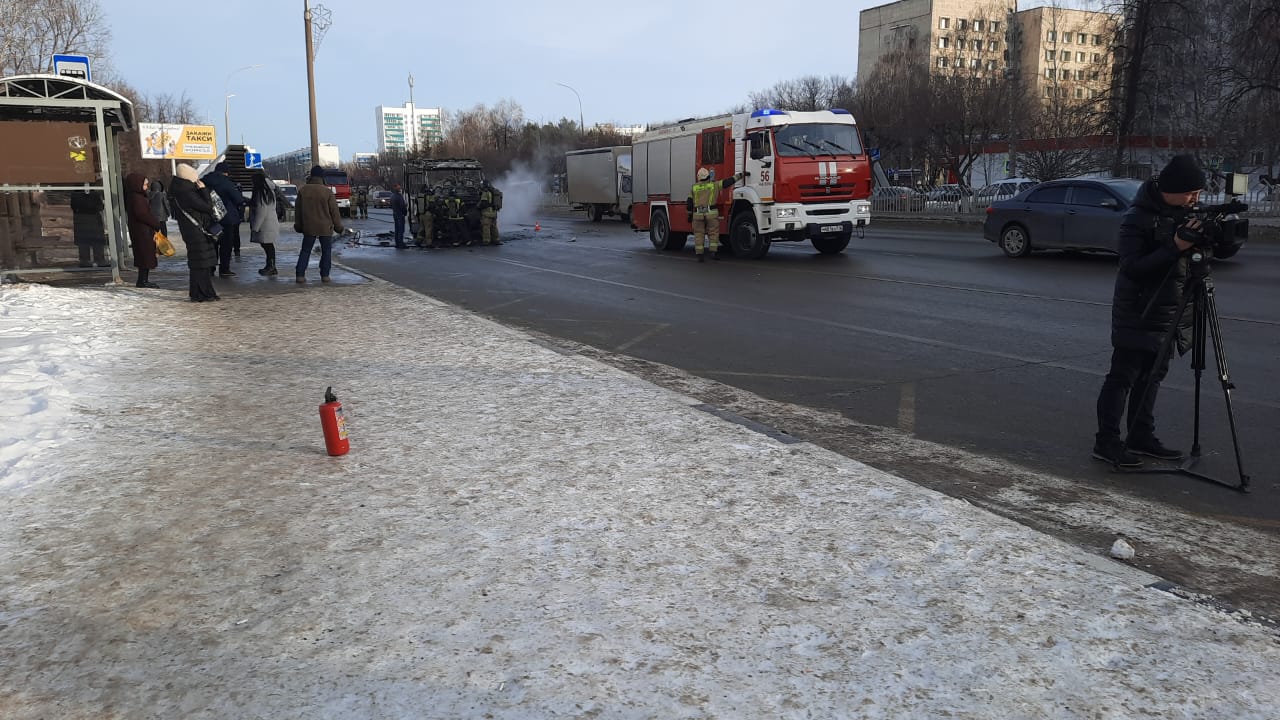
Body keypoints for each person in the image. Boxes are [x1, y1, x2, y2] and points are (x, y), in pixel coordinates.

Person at [1092, 154, 1243, 467]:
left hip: (1170, 314)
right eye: (1190, 193)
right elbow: (1133, 268)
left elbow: (1201, 257)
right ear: (1170, 188)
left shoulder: (1183, 214)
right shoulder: (1137, 218)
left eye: (1199, 195)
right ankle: (1106, 442)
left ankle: (1140, 435)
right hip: (1140, 312)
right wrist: (1175, 246)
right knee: (1123, 378)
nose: (1194, 200)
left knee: (1152, 377)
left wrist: (1218, 238)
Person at [168, 163, 221, 302]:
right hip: (196, 230)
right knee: (201, 263)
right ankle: (204, 293)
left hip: (191, 229)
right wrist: (203, 190)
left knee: (198, 262)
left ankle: (198, 292)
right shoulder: (187, 192)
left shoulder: (180, 190)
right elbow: (208, 207)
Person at [294, 164, 345, 283]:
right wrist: (339, 227)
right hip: (325, 227)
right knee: (326, 251)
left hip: (309, 226)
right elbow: (334, 212)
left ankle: (300, 275)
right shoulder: (327, 192)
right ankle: (325, 275)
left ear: (311, 176)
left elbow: (298, 211)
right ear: (322, 177)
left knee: (305, 250)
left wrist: (299, 226)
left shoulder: (303, 191)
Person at [686, 167, 745, 262]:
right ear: (708, 176)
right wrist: (740, 175)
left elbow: (689, 202)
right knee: (713, 233)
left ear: (698, 177)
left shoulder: (694, 187)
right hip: (711, 214)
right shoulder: (714, 185)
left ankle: (700, 255)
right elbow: (728, 182)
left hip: (697, 215)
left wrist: (689, 215)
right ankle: (713, 253)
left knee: (699, 234)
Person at [201, 162, 248, 275]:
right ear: (226, 172)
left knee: (212, 243)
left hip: (209, 217)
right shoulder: (226, 183)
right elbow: (238, 199)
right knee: (226, 244)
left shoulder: (204, 181)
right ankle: (224, 269)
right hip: (227, 218)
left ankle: (211, 268)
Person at [123, 172, 166, 288]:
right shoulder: (137, 197)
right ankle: (142, 281)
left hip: (142, 230)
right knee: (145, 255)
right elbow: (142, 214)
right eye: (145, 184)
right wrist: (156, 224)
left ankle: (143, 279)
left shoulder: (136, 196)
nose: (146, 187)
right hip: (142, 231)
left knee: (144, 255)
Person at [248, 173, 281, 276]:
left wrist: (255, 227)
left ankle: (271, 267)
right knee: (268, 245)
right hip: (269, 222)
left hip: (265, 224)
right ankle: (270, 266)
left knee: (268, 245)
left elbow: (261, 210)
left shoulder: (261, 193)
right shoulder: (268, 191)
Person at [69, 188, 109, 268]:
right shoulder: (95, 193)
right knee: (97, 241)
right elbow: (100, 206)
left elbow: (73, 206)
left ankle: (85, 260)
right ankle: (99, 259)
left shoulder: (75, 193)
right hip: (94, 218)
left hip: (80, 218)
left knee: (83, 241)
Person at [478, 180, 502, 246]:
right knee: (494, 227)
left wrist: (478, 207)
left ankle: (486, 241)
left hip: (487, 213)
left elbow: (484, 203)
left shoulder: (485, 192)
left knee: (486, 227)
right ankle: (496, 240)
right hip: (494, 212)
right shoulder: (494, 191)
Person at [390, 183, 409, 249]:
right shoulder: (399, 196)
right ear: (396, 187)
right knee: (401, 229)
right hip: (400, 214)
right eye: (399, 187)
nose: (400, 188)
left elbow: (391, 205)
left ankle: (397, 243)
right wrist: (405, 212)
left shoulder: (392, 196)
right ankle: (401, 243)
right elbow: (402, 206)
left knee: (397, 229)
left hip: (395, 214)